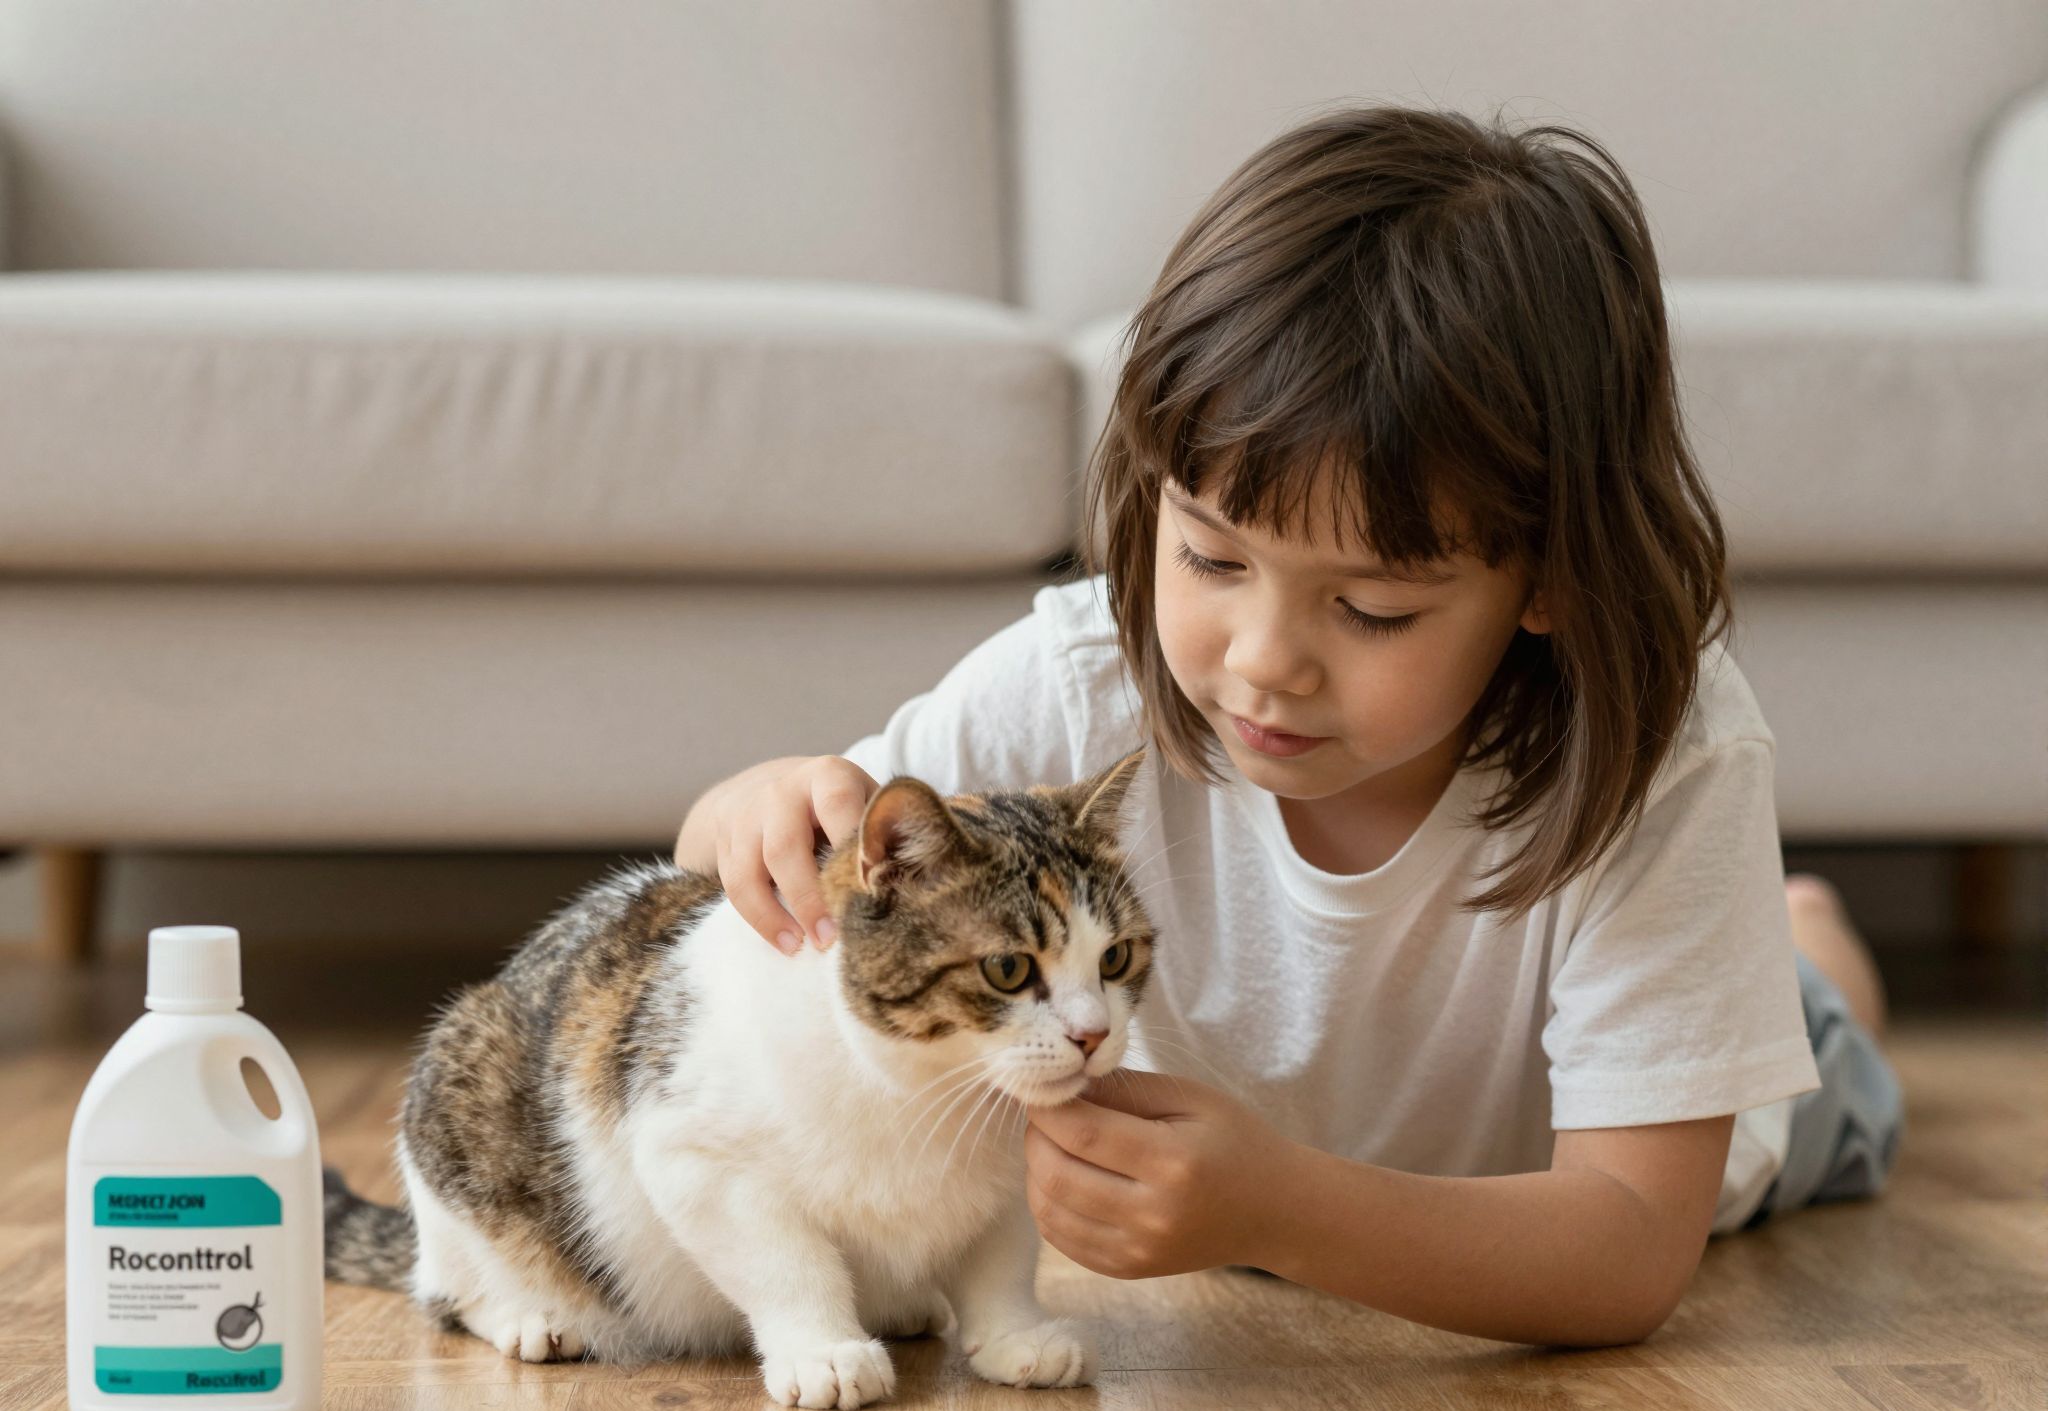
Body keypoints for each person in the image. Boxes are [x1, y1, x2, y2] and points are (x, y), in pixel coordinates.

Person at [673, 104, 1904, 1347]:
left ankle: (1804, 948)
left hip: (1578, 1204)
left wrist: (1278, 1212)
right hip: (1282, 1186)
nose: (1262, 662)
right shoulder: (1079, 677)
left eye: (1370, 609)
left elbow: (1626, 1254)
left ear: (1549, 579)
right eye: (1210, 559)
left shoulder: (1662, 753)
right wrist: (746, 811)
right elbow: (757, 883)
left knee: (1824, 1052)